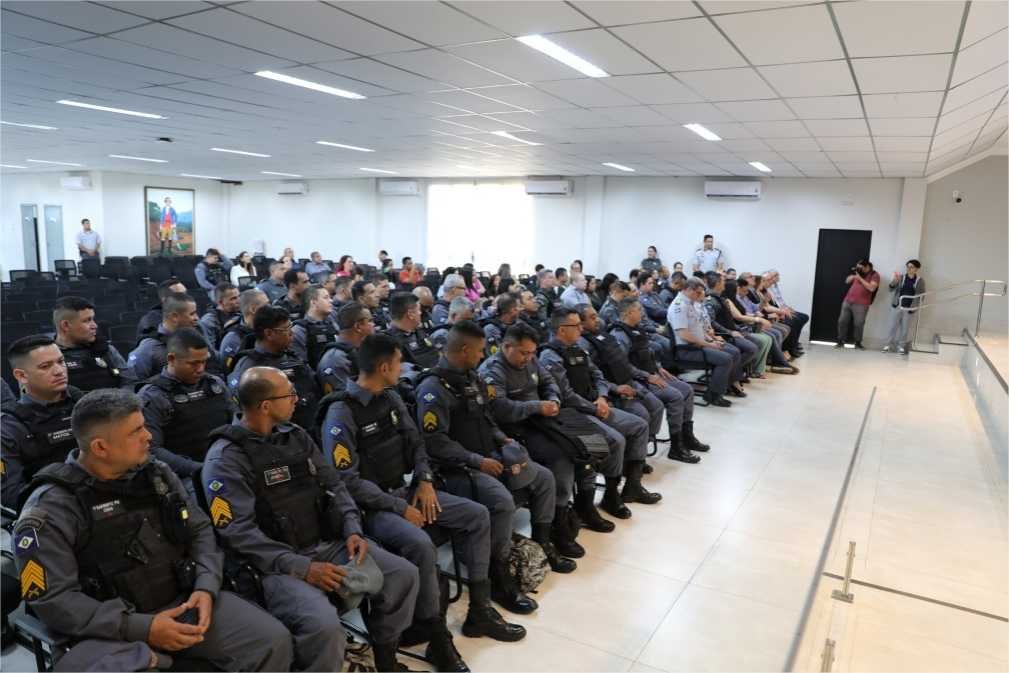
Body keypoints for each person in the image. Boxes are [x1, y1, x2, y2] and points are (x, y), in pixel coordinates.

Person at [12, 388, 293, 672]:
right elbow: (54, 600)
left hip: (182, 602)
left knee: (272, 641)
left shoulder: (155, 474)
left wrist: (205, 586)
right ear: (100, 447)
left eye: (144, 426)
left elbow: (199, 530)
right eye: (136, 431)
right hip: (105, 631)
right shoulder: (52, 508)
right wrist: (142, 627)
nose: (148, 436)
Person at [319, 336, 526, 662]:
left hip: (407, 490)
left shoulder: (390, 397)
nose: (402, 367)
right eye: (398, 363)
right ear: (384, 367)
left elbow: (417, 444)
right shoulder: (341, 412)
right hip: (372, 507)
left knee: (477, 515)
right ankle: (437, 636)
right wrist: (400, 507)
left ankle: (479, 610)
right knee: (421, 544)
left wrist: (425, 481)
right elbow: (347, 481)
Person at [203, 367, 419, 672]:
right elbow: (238, 533)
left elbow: (335, 486)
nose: (297, 399)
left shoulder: (296, 436)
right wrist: (303, 568)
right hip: (274, 565)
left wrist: (352, 529)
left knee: (403, 574)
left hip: (325, 542)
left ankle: (386, 658)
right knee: (324, 625)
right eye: (289, 394)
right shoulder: (225, 459)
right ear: (265, 406)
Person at [415, 321, 574, 609]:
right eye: (479, 350)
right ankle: (498, 574)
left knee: (545, 478)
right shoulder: (432, 389)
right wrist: (477, 461)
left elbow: (486, 417)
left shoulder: (472, 377)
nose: (483, 355)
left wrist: (502, 439)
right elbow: (435, 443)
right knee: (501, 502)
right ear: (464, 350)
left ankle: (542, 543)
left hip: (487, 454)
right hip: (454, 469)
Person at [479, 324, 591, 559]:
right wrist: (536, 406)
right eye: (523, 353)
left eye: (532, 353)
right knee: (560, 457)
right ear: (506, 346)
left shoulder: (531, 360)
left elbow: (549, 382)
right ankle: (555, 527)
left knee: (585, 444)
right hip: (514, 431)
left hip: (541, 421)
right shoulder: (492, 371)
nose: (528, 358)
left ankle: (576, 509)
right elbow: (500, 409)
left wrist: (553, 399)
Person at [539, 308, 659, 518]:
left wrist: (602, 397)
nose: (581, 328)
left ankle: (632, 486)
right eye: (576, 325)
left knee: (639, 426)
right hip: (573, 414)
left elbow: (598, 375)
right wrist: (594, 407)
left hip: (596, 405)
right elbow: (565, 395)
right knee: (616, 440)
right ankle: (609, 496)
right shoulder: (550, 356)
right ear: (561, 330)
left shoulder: (577, 348)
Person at [601, 301, 707, 462]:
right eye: (638, 309)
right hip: (638, 379)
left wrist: (658, 368)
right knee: (675, 396)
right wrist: (647, 376)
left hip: (651, 373)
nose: (642, 312)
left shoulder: (637, 329)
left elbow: (647, 353)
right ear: (628, 313)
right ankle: (676, 446)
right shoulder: (619, 334)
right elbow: (623, 365)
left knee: (687, 390)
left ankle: (686, 437)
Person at [138, 329, 232, 486]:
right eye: (193, 363)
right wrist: (201, 469)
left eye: (204, 362)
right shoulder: (153, 395)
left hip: (226, 465)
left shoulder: (215, 384)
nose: (200, 369)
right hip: (184, 477)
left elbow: (235, 424)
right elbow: (151, 449)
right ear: (171, 359)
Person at [1, 336, 83, 510]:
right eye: (45, 366)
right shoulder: (9, 427)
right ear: (21, 376)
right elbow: (11, 494)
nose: (59, 371)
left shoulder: (86, 403)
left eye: (61, 362)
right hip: (55, 511)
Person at [228, 306, 321, 430]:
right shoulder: (249, 367)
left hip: (304, 431)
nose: (291, 333)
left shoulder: (292, 357)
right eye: (286, 329)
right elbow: (245, 410)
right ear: (269, 333)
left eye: (291, 327)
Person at [668, 280, 735, 407]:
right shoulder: (679, 306)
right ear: (689, 289)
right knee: (725, 359)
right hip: (687, 350)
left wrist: (712, 340)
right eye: (698, 293)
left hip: (698, 346)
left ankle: (722, 386)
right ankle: (714, 395)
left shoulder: (689, 303)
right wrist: (709, 345)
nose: (700, 295)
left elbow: (698, 328)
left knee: (731, 351)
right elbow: (684, 335)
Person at [52, 296, 134, 391]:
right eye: (87, 320)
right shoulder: (49, 357)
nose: (95, 325)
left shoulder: (106, 350)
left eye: (93, 319)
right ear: (65, 325)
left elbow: (129, 382)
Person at [128, 293, 201, 380]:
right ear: (174, 317)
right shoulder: (148, 349)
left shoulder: (195, 338)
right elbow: (133, 382)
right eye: (192, 314)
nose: (197, 318)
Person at [316, 302, 374, 395]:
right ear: (358, 327)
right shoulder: (335, 360)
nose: (374, 324)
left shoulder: (362, 350)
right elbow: (347, 399)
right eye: (370, 321)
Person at [385, 292, 439, 371]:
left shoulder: (419, 332)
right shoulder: (389, 342)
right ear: (410, 314)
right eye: (419, 310)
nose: (420, 313)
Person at [219, 289, 269, 373]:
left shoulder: (271, 328)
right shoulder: (233, 339)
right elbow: (228, 370)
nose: (270, 308)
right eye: (266, 305)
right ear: (253, 309)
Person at [884, 260, 925, 354]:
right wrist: (895, 280)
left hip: (909, 308)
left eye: (911, 267)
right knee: (892, 327)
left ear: (916, 269)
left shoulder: (920, 281)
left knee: (905, 329)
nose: (909, 269)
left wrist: (915, 306)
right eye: (908, 267)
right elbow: (890, 289)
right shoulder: (901, 277)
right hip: (897, 305)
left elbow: (922, 295)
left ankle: (901, 347)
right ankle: (887, 345)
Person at [836, 260, 880, 349]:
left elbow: (871, 288)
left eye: (861, 267)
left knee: (859, 324)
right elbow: (847, 281)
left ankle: (858, 343)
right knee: (842, 321)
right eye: (858, 267)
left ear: (867, 267)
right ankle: (840, 341)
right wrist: (853, 276)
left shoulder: (875, 275)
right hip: (847, 301)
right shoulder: (858, 273)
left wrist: (860, 278)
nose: (858, 269)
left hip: (862, 304)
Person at [292, 285, 338, 368]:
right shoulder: (299, 330)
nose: (331, 300)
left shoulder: (333, 323)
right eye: (326, 298)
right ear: (313, 302)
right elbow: (301, 365)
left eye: (330, 297)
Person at [199, 282, 241, 352]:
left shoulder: (240, 314)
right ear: (220, 302)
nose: (239, 300)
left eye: (239, 296)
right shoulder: (208, 321)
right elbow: (210, 350)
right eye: (233, 298)